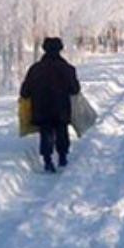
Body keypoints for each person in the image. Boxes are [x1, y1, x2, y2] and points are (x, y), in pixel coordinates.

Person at [20, 36, 80, 173]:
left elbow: (24, 92)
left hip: (41, 109)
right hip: (61, 109)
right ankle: (62, 157)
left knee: (45, 132)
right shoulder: (67, 68)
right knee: (61, 130)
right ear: (60, 49)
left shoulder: (35, 69)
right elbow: (75, 89)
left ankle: (47, 160)